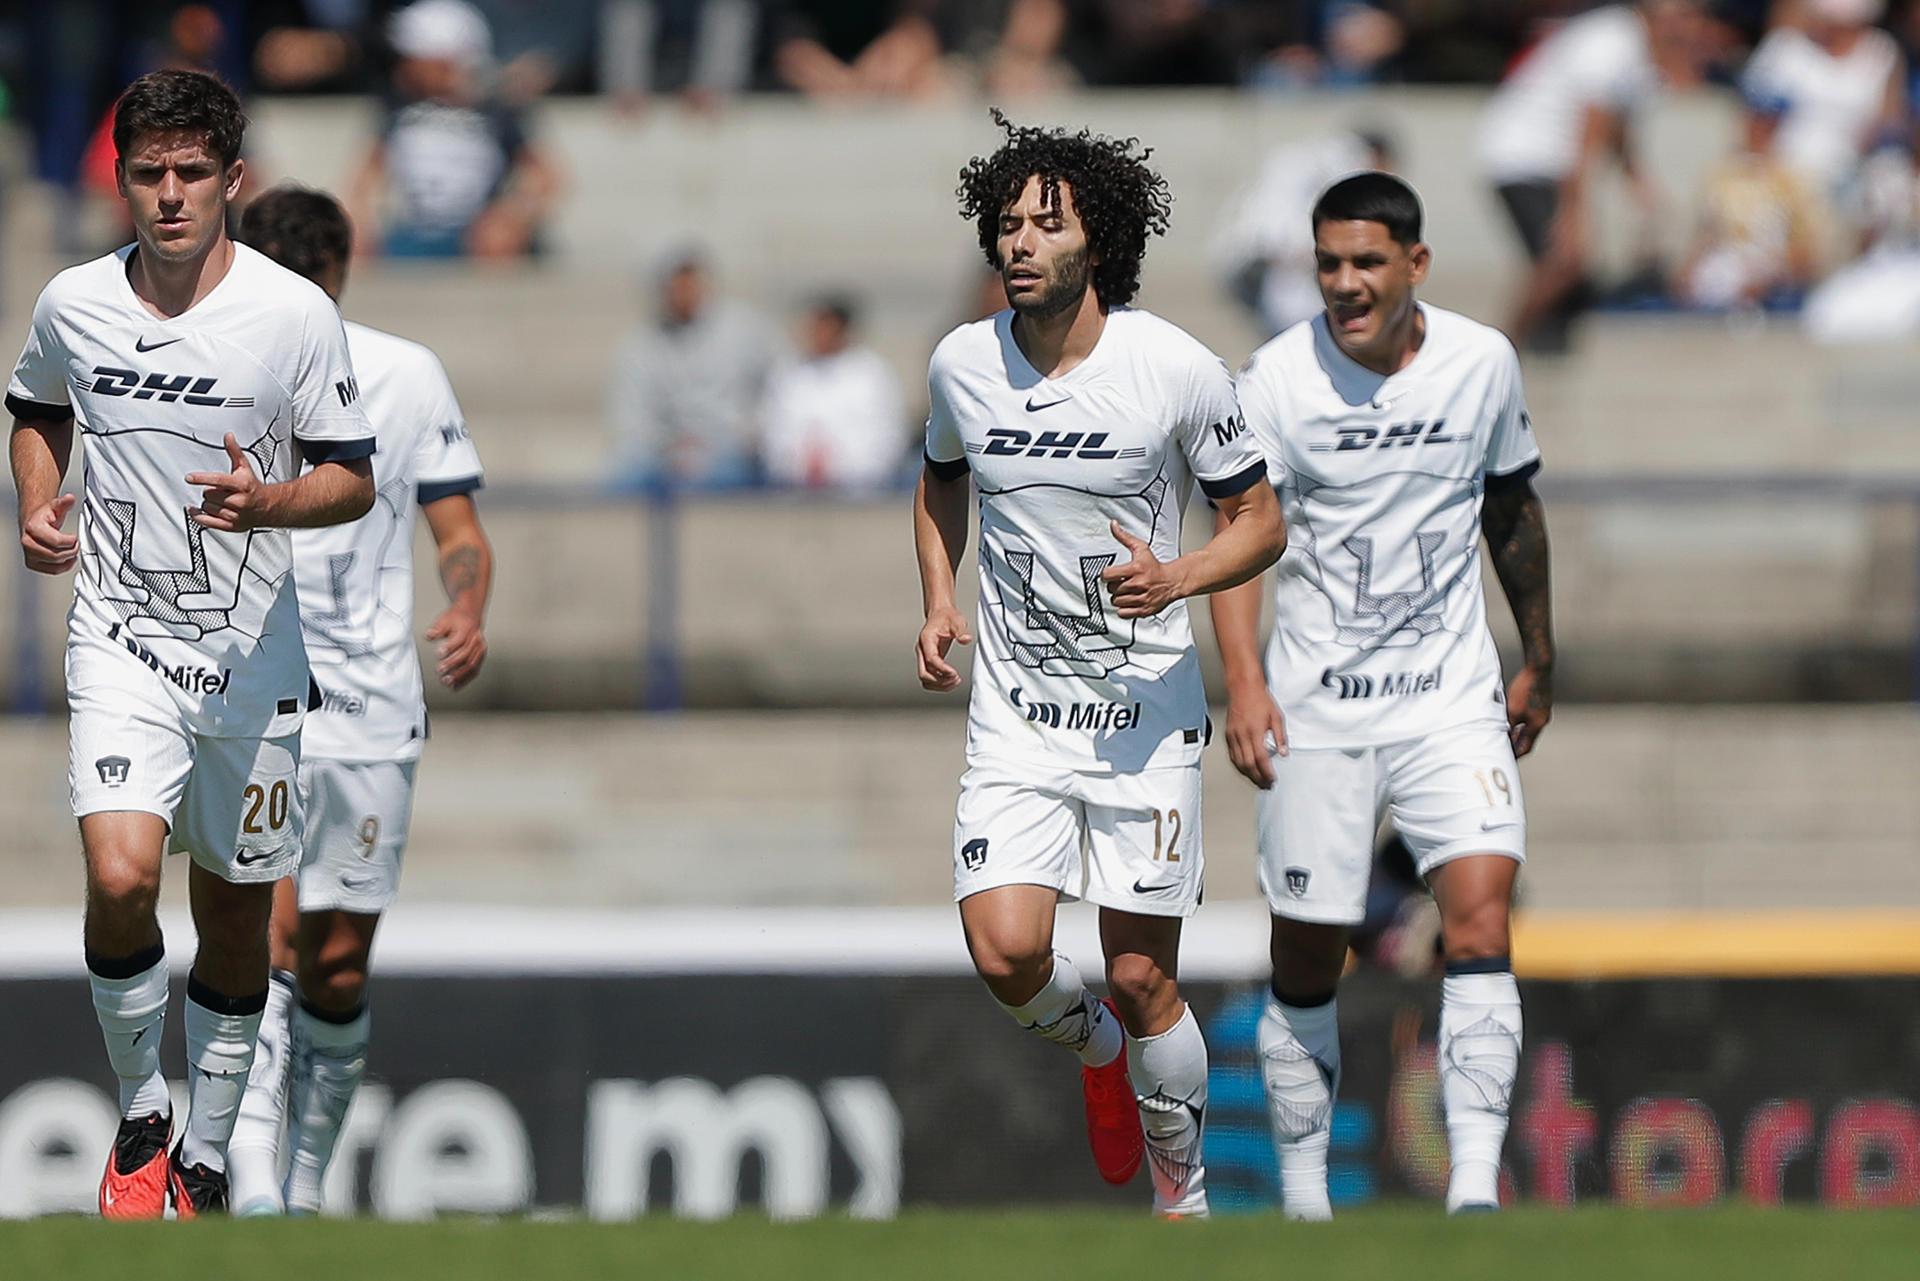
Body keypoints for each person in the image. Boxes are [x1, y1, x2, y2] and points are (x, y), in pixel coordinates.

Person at [7, 69, 376, 1218]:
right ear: (120, 180)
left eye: (191, 174)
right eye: (149, 174)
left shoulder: (291, 315)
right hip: (119, 641)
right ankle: (140, 1110)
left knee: (230, 911)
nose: (169, 196)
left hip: (254, 658)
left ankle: (206, 1157)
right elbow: (36, 409)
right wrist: (36, 502)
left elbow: (351, 478)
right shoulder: (75, 301)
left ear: (232, 182)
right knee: (121, 875)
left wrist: (268, 504)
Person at [915, 113, 1286, 1218]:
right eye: (1007, 225)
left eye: (1046, 222)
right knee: (1005, 952)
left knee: (1141, 973)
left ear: (1098, 237)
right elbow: (940, 480)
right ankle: (1094, 1052)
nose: (1019, 243)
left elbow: (1259, 523)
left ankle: (1184, 1199)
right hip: (1019, 717)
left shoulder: (1173, 367)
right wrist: (940, 594)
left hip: (1141, 715)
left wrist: (1178, 578)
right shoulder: (960, 363)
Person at [1211, 172, 1554, 1219]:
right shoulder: (1271, 380)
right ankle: (1307, 1199)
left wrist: (1537, 650)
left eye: (1367, 262)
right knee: (1311, 949)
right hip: (1318, 707)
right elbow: (1236, 543)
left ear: (1416, 263)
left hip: (1450, 697)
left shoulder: (1481, 362)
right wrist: (1245, 682)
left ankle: (1474, 1193)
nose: (1347, 283)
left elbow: (1513, 508)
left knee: (1481, 920)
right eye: (1329, 264)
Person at [222, 185, 493, 1217]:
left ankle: (303, 1184)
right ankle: (249, 1186)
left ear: (335, 276)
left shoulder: (405, 375)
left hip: (375, 703)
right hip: (259, 700)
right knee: (265, 935)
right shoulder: (224, 365)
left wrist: (466, 603)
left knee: (336, 965)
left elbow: (460, 534)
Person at [1478, 0, 1708, 351]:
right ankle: (1499, 350)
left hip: (1547, 161)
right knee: (1565, 260)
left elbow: (1618, 128)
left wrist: (1638, 183)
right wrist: (1573, 216)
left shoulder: (1635, 52)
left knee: (1572, 275)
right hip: (1524, 155)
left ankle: (1539, 348)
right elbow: (1587, 137)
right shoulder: (1611, 45)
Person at [347, 0, 563, 259]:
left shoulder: (496, 109)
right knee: (352, 247)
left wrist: (512, 216)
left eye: (416, 58)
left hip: (475, 235)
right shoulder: (395, 107)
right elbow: (366, 175)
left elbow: (546, 179)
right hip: (412, 231)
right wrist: (360, 219)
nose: (406, 66)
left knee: (498, 243)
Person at [607, 251, 776, 489]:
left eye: (690, 283)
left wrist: (748, 433)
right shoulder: (640, 345)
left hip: (730, 450)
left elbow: (779, 388)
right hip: (664, 455)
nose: (683, 293)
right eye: (675, 286)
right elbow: (630, 417)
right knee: (624, 477)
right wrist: (670, 447)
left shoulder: (745, 329)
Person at [761, 295, 908, 491]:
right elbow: (774, 431)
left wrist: (837, 467)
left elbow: (887, 437)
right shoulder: (788, 372)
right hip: (794, 487)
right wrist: (800, 464)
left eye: (825, 326)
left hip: (862, 489)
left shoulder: (873, 373)